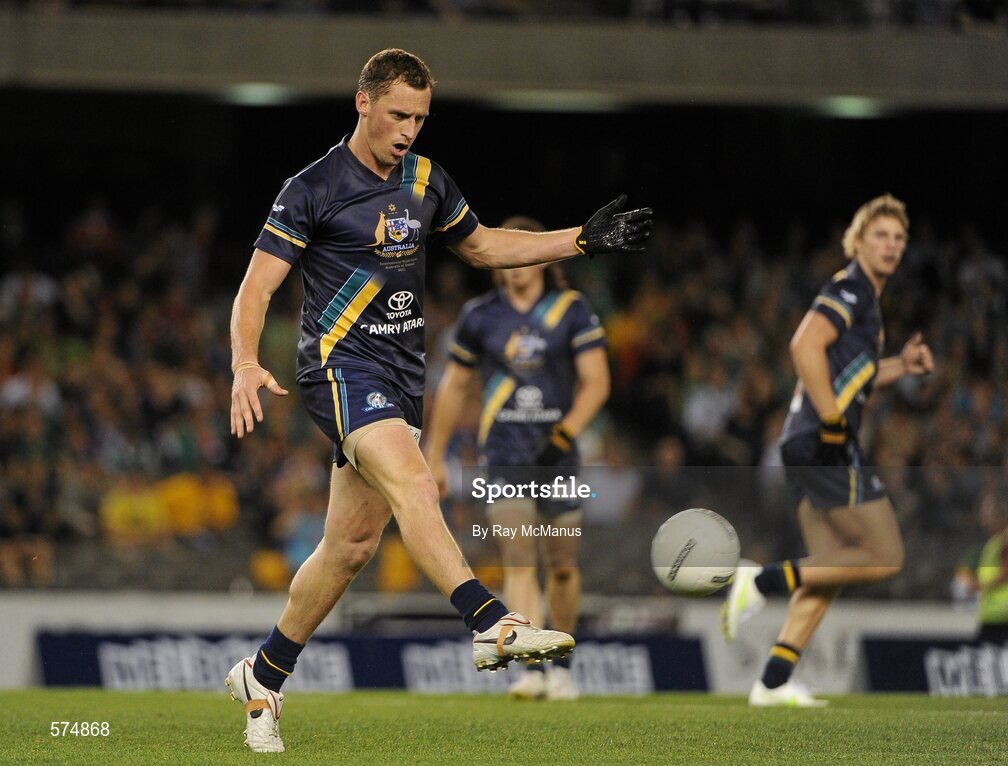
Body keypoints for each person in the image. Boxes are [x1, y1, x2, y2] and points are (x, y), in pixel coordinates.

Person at [225, 48, 652, 752]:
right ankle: (493, 621)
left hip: (399, 378)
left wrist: (577, 241)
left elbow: (484, 248)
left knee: (351, 545)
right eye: (398, 114)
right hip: (339, 370)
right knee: (417, 482)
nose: (408, 130)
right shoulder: (312, 187)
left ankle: (263, 676)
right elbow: (255, 288)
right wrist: (243, 362)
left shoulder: (425, 180)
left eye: (420, 118)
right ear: (362, 103)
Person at [722, 194, 935, 707]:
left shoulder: (868, 301)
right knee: (884, 556)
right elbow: (803, 346)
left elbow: (852, 376)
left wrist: (900, 367)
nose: (891, 245)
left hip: (803, 439)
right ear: (858, 241)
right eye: (880, 235)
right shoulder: (852, 288)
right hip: (823, 438)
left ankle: (772, 682)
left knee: (832, 566)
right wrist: (835, 422)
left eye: (899, 238)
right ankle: (761, 579)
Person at [424, 216, 611, 701]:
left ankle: (564, 666)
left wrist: (565, 433)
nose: (518, 264)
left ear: (545, 258)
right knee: (520, 560)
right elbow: (454, 386)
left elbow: (597, 381)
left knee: (564, 566)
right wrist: (435, 453)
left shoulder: (571, 310)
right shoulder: (480, 316)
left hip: (559, 459)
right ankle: (533, 667)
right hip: (503, 456)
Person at [972, 488, 1008, 644]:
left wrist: (982, 585)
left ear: (999, 512)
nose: (982, 513)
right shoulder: (995, 540)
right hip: (995, 618)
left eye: (986, 509)